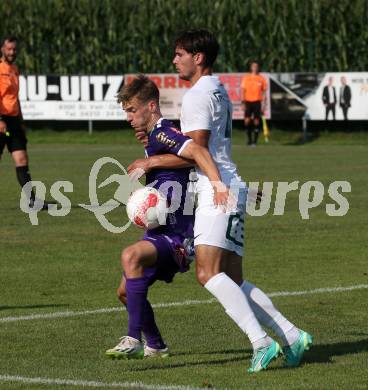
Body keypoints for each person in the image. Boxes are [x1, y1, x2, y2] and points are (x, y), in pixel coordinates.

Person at [132, 30, 312, 373]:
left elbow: (195, 152)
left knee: (206, 273)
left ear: (198, 57)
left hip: (217, 191)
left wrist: (151, 160)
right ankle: (292, 334)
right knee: (232, 278)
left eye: (180, 54)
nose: (175, 60)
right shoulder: (217, 89)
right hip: (228, 186)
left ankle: (261, 342)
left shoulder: (198, 95)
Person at [105, 75, 231, 359]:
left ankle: (133, 338)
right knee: (125, 292)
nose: (128, 117)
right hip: (159, 229)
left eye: (132, 110)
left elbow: (198, 152)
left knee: (130, 256)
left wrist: (219, 185)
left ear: (151, 106)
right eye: (126, 111)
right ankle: (156, 345)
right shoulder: (153, 137)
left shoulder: (163, 132)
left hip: (177, 233)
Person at [0, 35, 51, 209]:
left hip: (13, 121)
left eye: (14, 49)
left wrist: (20, 120)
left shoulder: (14, 68)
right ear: (2, 49)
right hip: (1, 120)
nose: (12, 52)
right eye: (9, 49)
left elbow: (15, 98)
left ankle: (32, 201)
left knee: (21, 159)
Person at [241, 61, 267, 146]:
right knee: (247, 121)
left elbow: (264, 93)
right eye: (253, 66)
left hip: (257, 102)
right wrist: (243, 102)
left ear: (258, 68)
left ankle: (254, 142)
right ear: (251, 68)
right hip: (248, 101)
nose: (255, 68)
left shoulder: (261, 78)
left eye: (256, 66)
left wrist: (264, 104)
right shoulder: (246, 78)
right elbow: (243, 91)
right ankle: (249, 140)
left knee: (256, 121)